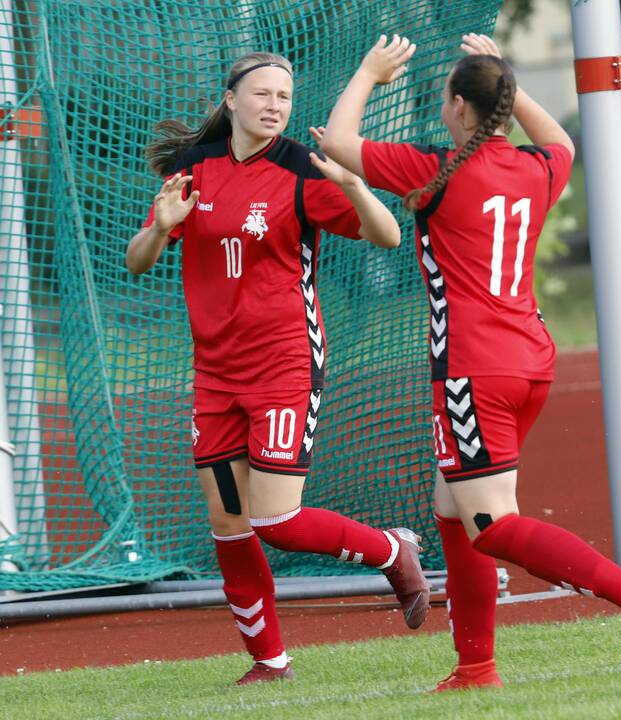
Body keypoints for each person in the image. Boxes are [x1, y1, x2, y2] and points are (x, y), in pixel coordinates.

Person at [319, 33, 621, 690]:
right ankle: (476, 667)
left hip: (474, 371)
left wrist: (370, 72)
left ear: (458, 106)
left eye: (447, 98)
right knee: (453, 512)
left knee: (491, 524)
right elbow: (565, 145)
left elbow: (340, 142)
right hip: (528, 360)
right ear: (505, 108)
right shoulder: (534, 166)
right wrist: (511, 84)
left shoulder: (437, 166)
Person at [126, 51, 431, 685]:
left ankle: (391, 550)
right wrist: (160, 228)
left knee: (278, 523)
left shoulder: (299, 166)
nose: (274, 105)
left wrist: (355, 187)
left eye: (284, 97)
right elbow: (137, 260)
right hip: (215, 373)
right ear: (231, 98)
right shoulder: (194, 170)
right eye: (262, 93)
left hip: (285, 362)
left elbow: (388, 237)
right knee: (229, 523)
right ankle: (270, 663)